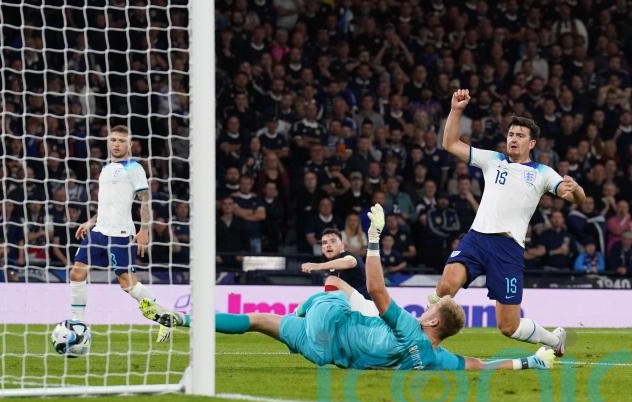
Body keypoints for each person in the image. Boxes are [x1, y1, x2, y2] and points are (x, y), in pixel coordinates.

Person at [141, 205, 555, 371]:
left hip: (330, 323)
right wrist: (529, 362)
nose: (425, 308)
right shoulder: (433, 358)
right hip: (323, 354)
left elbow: (376, 288)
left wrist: (373, 239)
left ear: (432, 320)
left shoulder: (409, 328)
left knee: (334, 288)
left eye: (430, 308)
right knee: (260, 320)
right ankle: (180, 320)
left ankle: (180, 318)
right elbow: (479, 366)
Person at [432, 89, 586, 356]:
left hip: (508, 248)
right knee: (446, 286)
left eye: (520, 135)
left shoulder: (542, 173)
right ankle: (422, 340)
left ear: (532, 143)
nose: (513, 139)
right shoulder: (493, 160)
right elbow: (450, 143)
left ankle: (554, 341)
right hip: (477, 239)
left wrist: (577, 189)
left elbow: (574, 197)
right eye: (511, 134)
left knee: (508, 326)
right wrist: (456, 110)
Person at [68, 125, 164, 323]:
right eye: (113, 140)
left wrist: (144, 230)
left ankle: (164, 315)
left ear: (130, 144)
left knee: (128, 284)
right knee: (77, 272)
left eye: (121, 141)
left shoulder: (134, 168)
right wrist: (90, 222)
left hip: (120, 234)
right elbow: (107, 204)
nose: (117, 144)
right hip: (99, 232)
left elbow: (145, 201)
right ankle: (78, 324)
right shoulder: (105, 169)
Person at [300, 227, 368, 302]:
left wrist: (318, 266)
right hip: (348, 305)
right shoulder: (331, 268)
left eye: (333, 241)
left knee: (331, 280)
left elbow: (350, 262)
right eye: (325, 243)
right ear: (322, 249)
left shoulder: (348, 256)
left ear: (342, 246)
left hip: (364, 303)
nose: (328, 245)